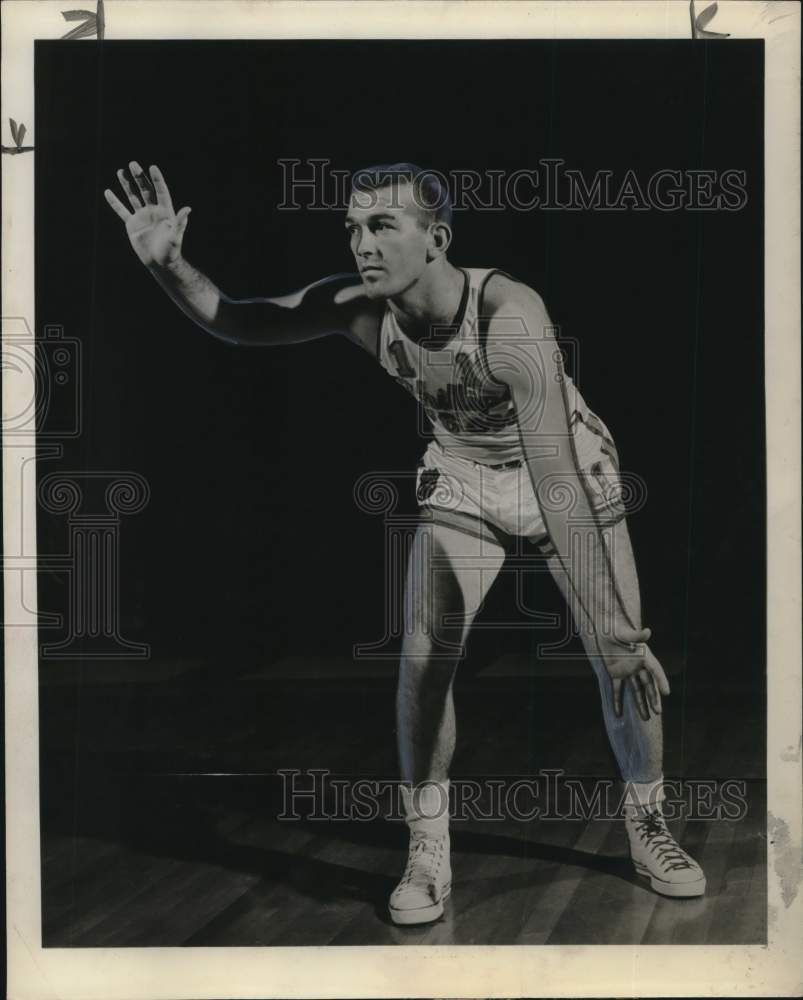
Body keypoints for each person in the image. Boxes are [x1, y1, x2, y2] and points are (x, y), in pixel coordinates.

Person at [105, 160, 706, 926]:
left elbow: (555, 482)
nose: (361, 242)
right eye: (352, 227)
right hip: (462, 470)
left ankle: (647, 822)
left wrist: (618, 630)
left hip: (562, 468)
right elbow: (239, 319)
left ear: (437, 240)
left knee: (617, 657)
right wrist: (166, 266)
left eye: (382, 225)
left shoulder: (509, 314)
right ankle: (427, 847)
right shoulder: (357, 308)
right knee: (423, 658)